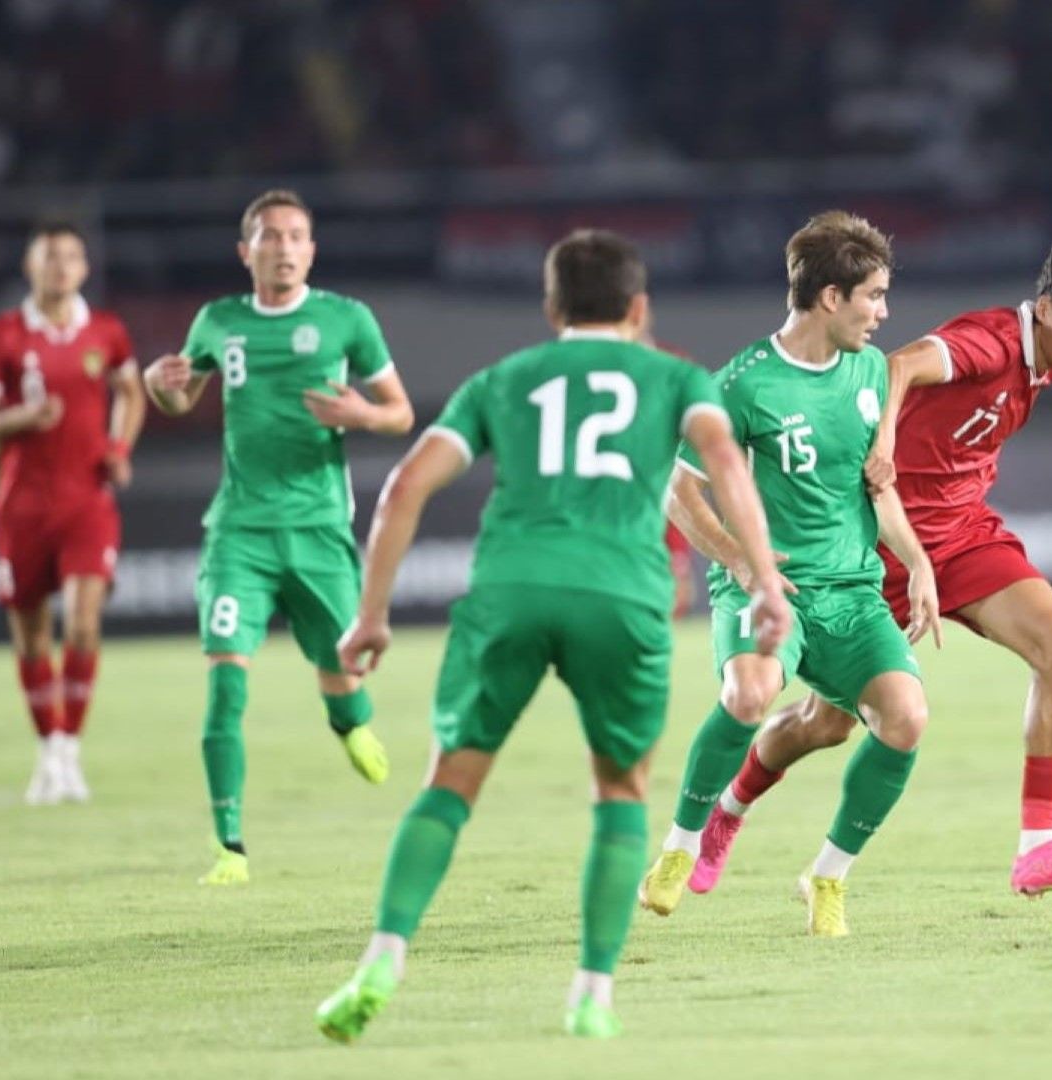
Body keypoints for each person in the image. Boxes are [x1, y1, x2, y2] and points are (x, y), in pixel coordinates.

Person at [314, 229, 789, 1042]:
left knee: (448, 785)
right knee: (620, 794)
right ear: (639, 309)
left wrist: (370, 615)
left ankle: (382, 960)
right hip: (622, 597)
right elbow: (728, 470)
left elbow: (403, 488)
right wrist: (766, 580)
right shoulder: (676, 378)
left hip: (512, 589)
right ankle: (592, 992)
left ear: (550, 308)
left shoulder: (505, 378)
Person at [684, 240, 1052, 898]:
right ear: (1043, 310)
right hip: (883, 549)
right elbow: (902, 364)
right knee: (824, 725)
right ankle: (728, 811)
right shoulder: (994, 341)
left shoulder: (1042, 364)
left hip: (960, 538)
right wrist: (884, 436)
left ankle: (1039, 847)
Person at [638, 211, 940, 937]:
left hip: (851, 590)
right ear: (830, 297)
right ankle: (680, 846)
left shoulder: (870, 374)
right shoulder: (741, 385)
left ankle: (827, 876)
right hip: (766, 587)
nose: (884, 312)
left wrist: (919, 562)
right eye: (873, 295)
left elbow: (878, 487)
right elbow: (678, 490)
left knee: (905, 719)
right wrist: (741, 559)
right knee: (751, 691)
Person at [142, 189, 415, 885]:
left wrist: (358, 412)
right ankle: (228, 845)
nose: (285, 247)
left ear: (312, 250)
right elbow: (182, 395)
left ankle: (348, 721)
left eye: (297, 236)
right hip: (240, 532)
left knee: (345, 673)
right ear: (247, 251)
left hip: (320, 530)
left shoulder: (346, 320)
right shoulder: (218, 322)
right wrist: (157, 385)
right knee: (226, 685)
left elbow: (400, 414)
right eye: (271, 236)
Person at [0, 221, 144, 804]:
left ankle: (69, 750)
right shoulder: (3, 335)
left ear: (85, 268)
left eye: (71, 257)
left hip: (86, 501)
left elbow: (132, 392)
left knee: (85, 621)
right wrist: (24, 417)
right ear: (30, 266)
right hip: (22, 505)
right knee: (32, 636)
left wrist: (118, 449)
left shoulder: (107, 331)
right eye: (50, 257)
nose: (61, 267)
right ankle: (48, 748)